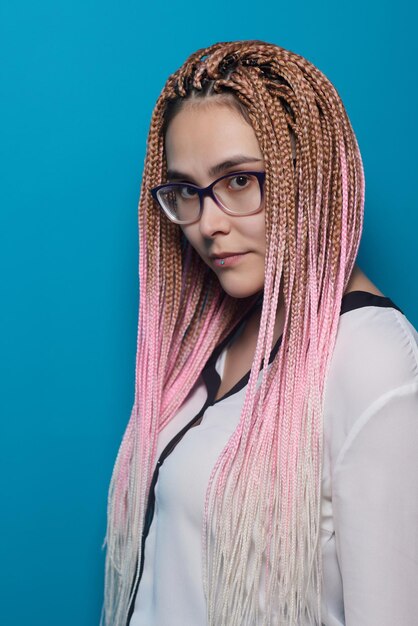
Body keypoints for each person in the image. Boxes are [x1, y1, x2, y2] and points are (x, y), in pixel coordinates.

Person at [101, 41, 418, 626]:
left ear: (311, 174)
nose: (209, 224)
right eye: (186, 192)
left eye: (240, 181)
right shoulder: (223, 330)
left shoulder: (372, 356)